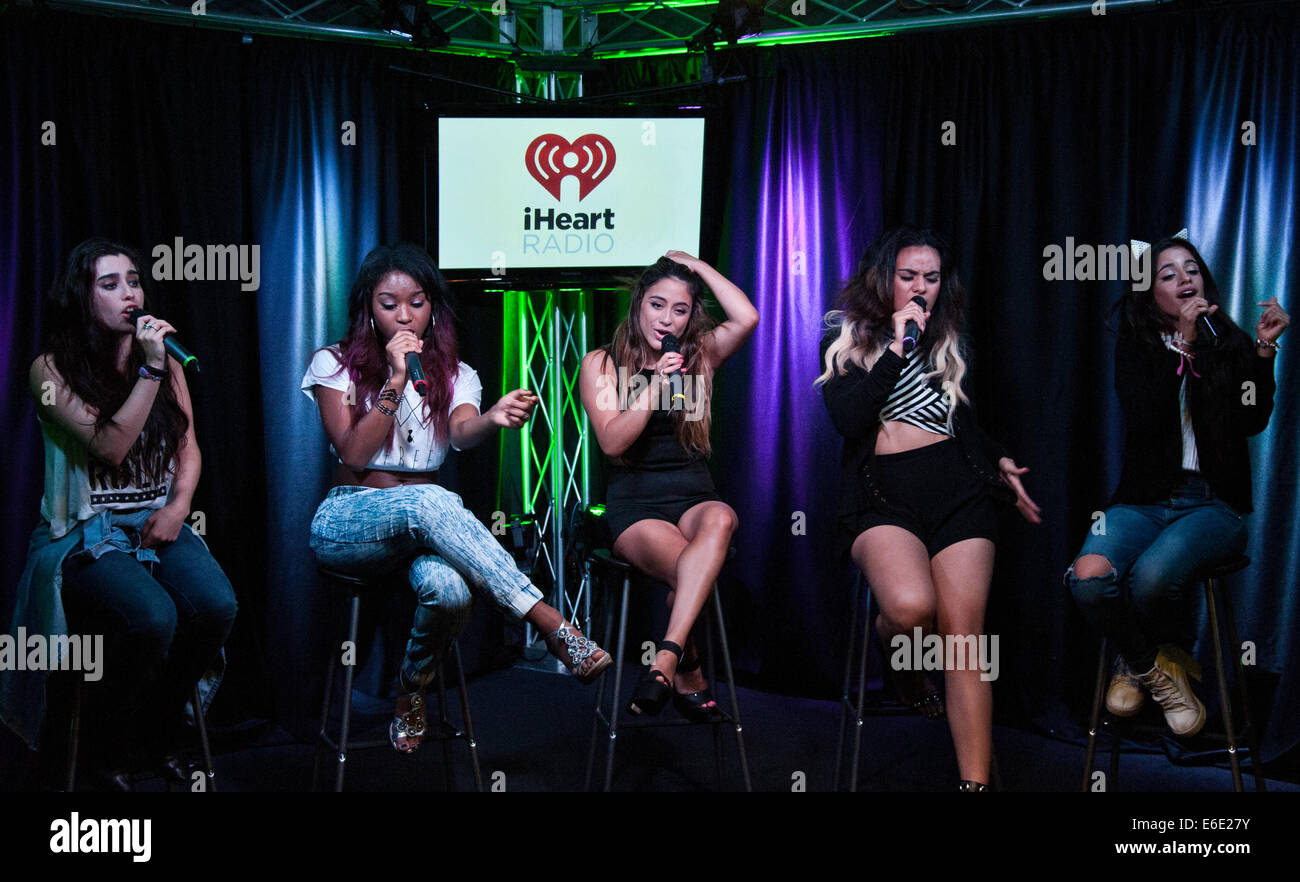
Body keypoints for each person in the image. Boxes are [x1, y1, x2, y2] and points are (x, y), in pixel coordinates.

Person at [304, 243, 611, 753]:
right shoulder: (333, 363)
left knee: (450, 592)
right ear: (367, 308)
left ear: (433, 307)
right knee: (431, 501)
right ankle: (550, 622)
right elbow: (354, 452)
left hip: (429, 524)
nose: (405, 315)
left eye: (417, 302)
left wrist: (491, 418)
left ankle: (411, 688)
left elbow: (462, 432)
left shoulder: (455, 373)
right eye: (389, 303)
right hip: (351, 517)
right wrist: (397, 380)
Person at [0, 238, 237, 788]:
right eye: (110, 284)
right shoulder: (49, 372)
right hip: (83, 536)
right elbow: (109, 447)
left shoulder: (164, 362)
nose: (129, 292)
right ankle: (109, 746)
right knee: (153, 618)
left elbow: (189, 447)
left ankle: (155, 731)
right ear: (83, 299)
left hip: (156, 520)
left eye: (133, 280)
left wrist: (179, 507)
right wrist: (150, 373)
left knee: (216, 605)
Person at [817, 226, 1040, 791]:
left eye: (932, 278)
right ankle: (905, 668)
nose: (921, 288)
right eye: (909, 275)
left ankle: (974, 784)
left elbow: (959, 423)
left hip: (958, 492)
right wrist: (895, 347)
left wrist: (1001, 460)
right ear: (885, 279)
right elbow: (849, 420)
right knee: (912, 610)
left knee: (964, 638)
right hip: (882, 496)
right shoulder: (848, 344)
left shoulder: (949, 342)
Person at [1065, 233, 1288, 737]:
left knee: (1148, 578)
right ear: (1151, 293)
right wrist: (1182, 346)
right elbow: (1144, 418)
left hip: (1213, 507)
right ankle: (1153, 666)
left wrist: (1264, 349)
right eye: (1169, 274)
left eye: (1191, 269)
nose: (1186, 278)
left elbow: (1252, 420)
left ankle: (1138, 659)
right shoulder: (1136, 346)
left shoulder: (1227, 342)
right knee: (1089, 577)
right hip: (1143, 502)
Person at [577, 252, 758, 719]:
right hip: (636, 505)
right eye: (658, 305)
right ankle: (687, 664)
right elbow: (613, 442)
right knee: (692, 573)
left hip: (694, 494)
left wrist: (700, 268)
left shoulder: (699, 355)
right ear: (639, 305)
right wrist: (654, 387)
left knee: (721, 517)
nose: (667, 318)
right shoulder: (601, 363)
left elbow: (747, 316)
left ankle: (664, 658)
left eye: (680, 309)